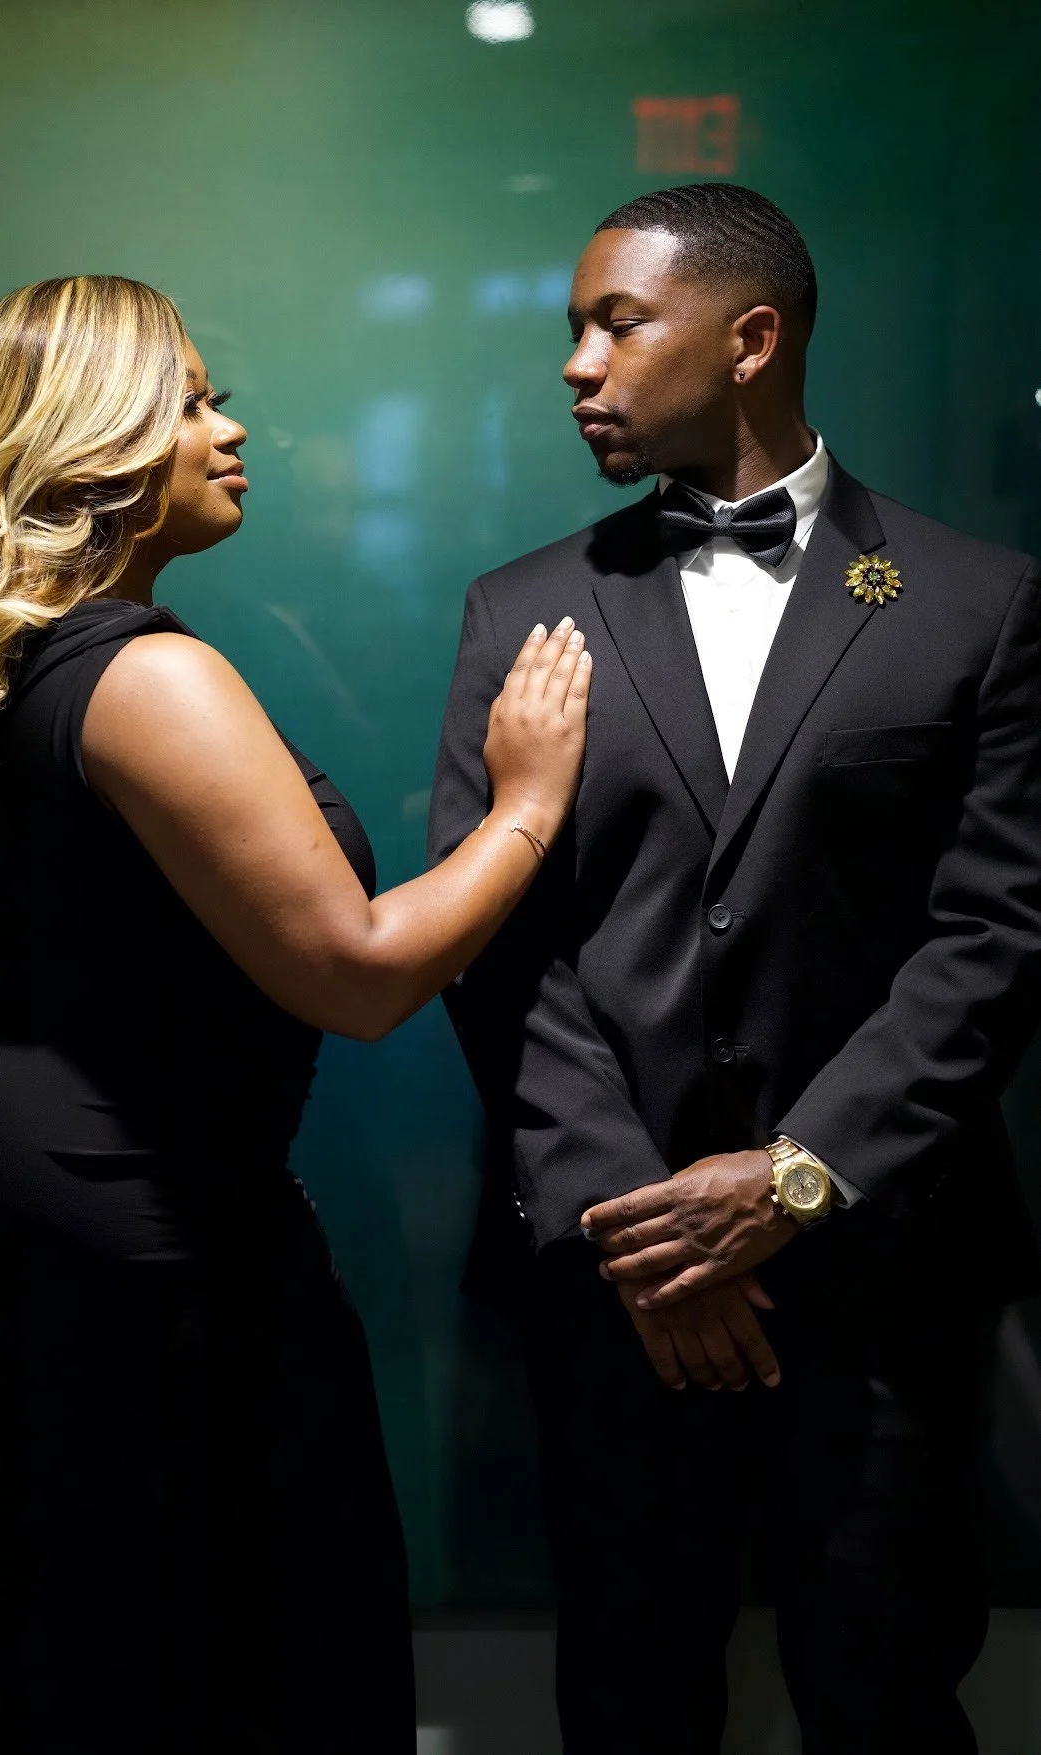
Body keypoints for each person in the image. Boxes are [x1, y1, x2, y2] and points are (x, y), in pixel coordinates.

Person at [0, 274, 592, 1755]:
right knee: (238, 1662)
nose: (232, 427)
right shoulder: (151, 676)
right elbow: (361, 973)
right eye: (194, 399)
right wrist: (524, 808)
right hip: (149, 1264)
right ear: (101, 443)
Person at [428, 182, 1041, 1755]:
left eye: (614, 322)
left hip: (882, 1271)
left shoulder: (978, 603)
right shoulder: (521, 607)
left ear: (750, 336)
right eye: (573, 327)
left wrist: (797, 1177)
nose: (576, 362)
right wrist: (643, 1232)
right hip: (613, 1286)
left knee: (886, 1692)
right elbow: (496, 945)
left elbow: (994, 931)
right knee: (628, 1701)